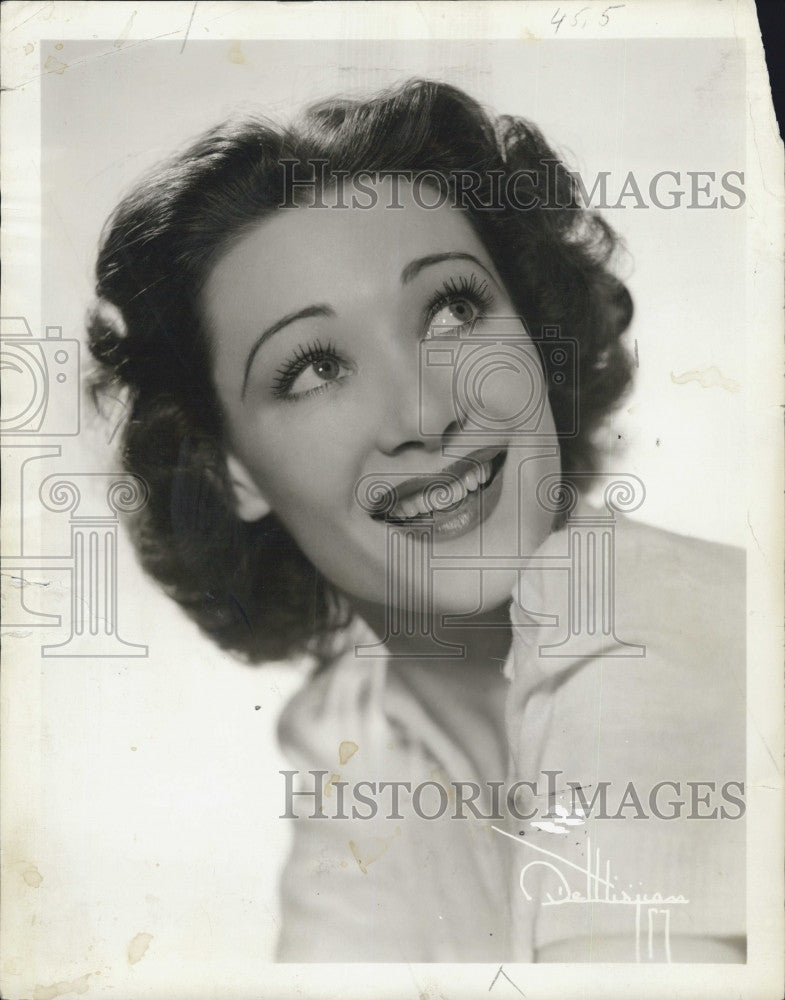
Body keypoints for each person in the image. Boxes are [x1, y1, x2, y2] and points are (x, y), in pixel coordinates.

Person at [87, 79, 745, 963]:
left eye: (451, 310)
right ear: (227, 469)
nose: (424, 414)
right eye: (315, 367)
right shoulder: (360, 733)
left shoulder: (641, 621)